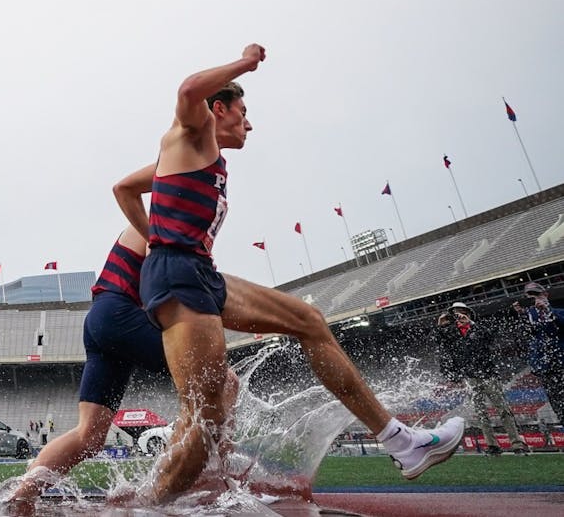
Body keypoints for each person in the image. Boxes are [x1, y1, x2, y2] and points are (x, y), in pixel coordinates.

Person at [135, 44, 463, 503]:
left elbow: (124, 188)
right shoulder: (190, 132)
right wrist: (246, 63)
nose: (249, 124)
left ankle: (401, 442)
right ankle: (148, 506)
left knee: (309, 321)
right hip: (177, 274)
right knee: (207, 416)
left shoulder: (202, 158)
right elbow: (190, 89)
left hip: (198, 271)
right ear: (219, 109)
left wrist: (155, 236)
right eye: (243, 112)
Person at [6, 166, 239, 504]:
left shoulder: (166, 229)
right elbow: (167, 287)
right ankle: (211, 477)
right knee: (224, 380)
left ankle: (21, 495)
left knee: (90, 436)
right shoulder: (165, 223)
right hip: (120, 314)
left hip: (103, 320)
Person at [437, 302, 529, 454]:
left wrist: (471, 324)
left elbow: (490, 335)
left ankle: (516, 443)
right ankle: (492, 445)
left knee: (503, 410)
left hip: (488, 375)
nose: (458, 316)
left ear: (468, 314)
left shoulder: (478, 328)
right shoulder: (450, 333)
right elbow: (439, 343)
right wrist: (440, 326)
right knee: (481, 413)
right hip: (470, 378)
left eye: (461, 312)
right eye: (455, 313)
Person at [515, 282, 564, 426]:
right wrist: (522, 315)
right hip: (546, 368)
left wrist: (547, 310)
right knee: (559, 406)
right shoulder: (529, 318)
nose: (534, 298)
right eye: (530, 296)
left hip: (561, 362)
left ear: (545, 295)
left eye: (537, 294)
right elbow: (526, 337)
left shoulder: (559, 312)